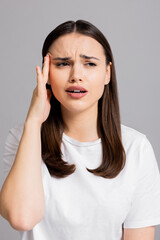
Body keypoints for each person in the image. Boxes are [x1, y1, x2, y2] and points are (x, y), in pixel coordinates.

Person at [0, 19, 160, 240]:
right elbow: (21, 218)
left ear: (107, 73)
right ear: (46, 74)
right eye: (63, 64)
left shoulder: (136, 148)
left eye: (90, 64)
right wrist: (33, 122)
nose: (76, 75)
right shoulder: (23, 137)